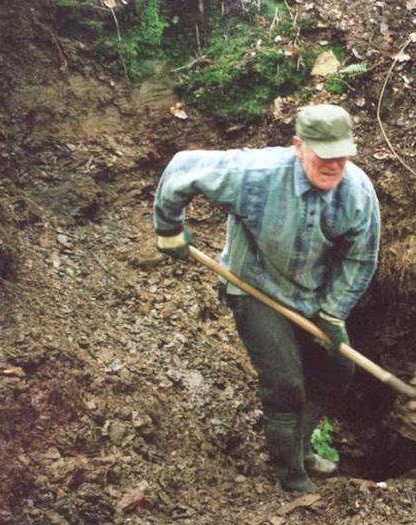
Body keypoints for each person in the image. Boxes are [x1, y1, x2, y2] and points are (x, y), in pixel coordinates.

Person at [152, 104, 380, 492]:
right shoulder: (255, 174)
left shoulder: (357, 193)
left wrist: (333, 313)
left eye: (341, 155)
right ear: (298, 146)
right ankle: (290, 477)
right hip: (255, 286)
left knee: (336, 372)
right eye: (324, 155)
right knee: (286, 385)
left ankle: (301, 448)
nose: (333, 165)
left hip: (311, 295)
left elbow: (361, 258)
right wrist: (169, 227)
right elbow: (182, 168)